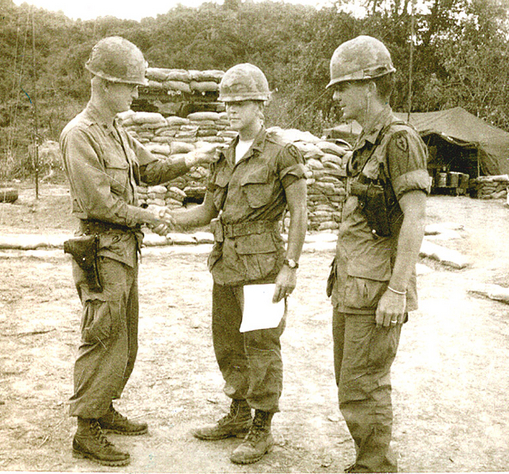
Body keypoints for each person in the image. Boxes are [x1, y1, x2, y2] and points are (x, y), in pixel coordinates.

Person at [60, 36, 217, 467]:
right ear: (105, 84)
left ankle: (103, 407)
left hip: (123, 251)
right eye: (129, 86)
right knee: (102, 336)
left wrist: (192, 158)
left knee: (124, 339)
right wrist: (150, 217)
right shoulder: (80, 135)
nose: (134, 93)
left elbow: (148, 170)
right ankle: (86, 429)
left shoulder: (117, 131)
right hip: (101, 249)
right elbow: (98, 204)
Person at [170, 63, 307, 465]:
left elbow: (300, 213)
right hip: (226, 264)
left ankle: (262, 425)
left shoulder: (283, 153)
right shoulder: (225, 154)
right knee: (228, 343)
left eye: (240, 103)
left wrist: (291, 265)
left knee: (261, 344)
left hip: (265, 265)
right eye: (227, 103)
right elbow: (207, 210)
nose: (231, 110)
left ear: (260, 104)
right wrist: (164, 219)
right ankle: (238, 412)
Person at [325, 36, 429, 473]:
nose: (337, 96)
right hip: (352, 287)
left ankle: (374, 467)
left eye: (343, 87)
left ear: (369, 86)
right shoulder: (365, 143)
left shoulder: (399, 141)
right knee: (351, 384)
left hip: (377, 292)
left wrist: (396, 291)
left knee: (364, 384)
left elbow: (415, 219)